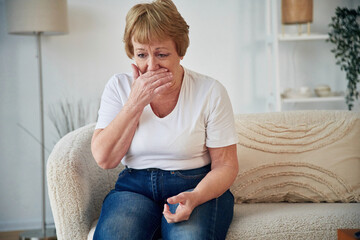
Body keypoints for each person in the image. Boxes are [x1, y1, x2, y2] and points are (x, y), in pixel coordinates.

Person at [91, 0, 239, 239]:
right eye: (141, 55)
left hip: (194, 185)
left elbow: (226, 165)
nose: (151, 66)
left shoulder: (210, 91)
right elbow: (104, 159)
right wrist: (135, 103)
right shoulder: (118, 87)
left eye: (161, 54)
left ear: (180, 52)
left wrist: (195, 196)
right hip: (134, 188)